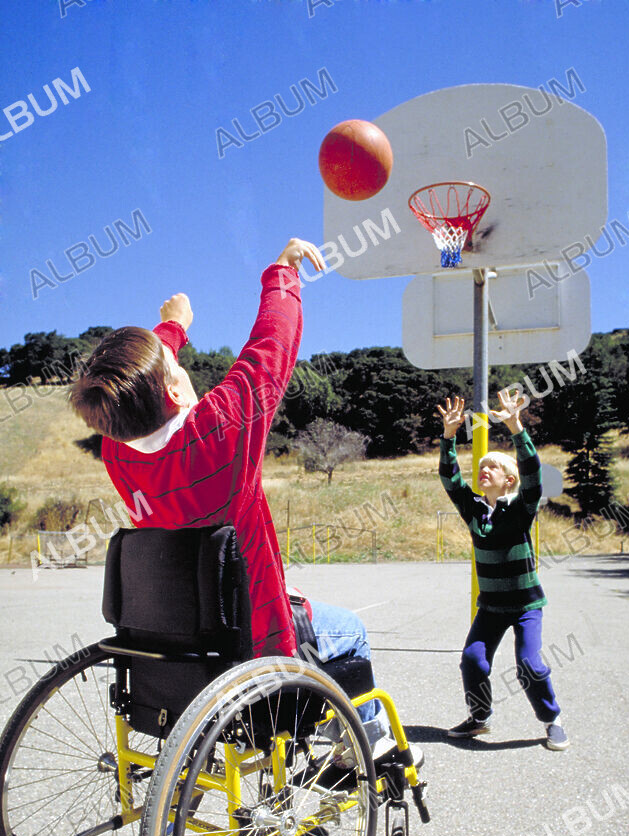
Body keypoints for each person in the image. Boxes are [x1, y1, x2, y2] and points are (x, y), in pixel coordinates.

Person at [69, 237, 407, 761]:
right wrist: (281, 272)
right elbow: (271, 345)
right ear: (178, 393)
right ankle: (359, 753)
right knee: (353, 631)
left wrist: (171, 331)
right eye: (177, 369)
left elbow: (134, 393)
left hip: (174, 646)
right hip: (254, 637)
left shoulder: (119, 457)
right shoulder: (220, 431)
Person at [436, 389, 568, 751]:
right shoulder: (474, 509)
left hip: (526, 605)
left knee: (529, 666)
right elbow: (450, 479)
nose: (483, 470)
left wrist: (515, 427)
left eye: (491, 467)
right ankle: (480, 718)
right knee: (472, 661)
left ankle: (552, 719)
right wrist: (449, 437)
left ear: (508, 479)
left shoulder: (522, 507)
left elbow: (533, 473)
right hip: (491, 607)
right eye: (481, 468)